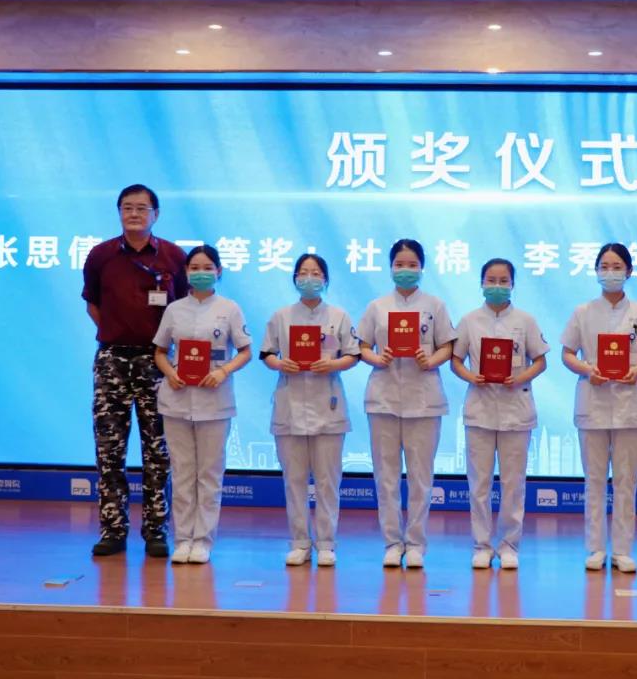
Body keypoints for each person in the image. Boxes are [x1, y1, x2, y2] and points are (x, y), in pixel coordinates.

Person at [82, 183, 187, 558]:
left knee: (158, 450)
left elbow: (184, 309)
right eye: (127, 207)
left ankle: (156, 530)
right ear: (119, 212)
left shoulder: (173, 256)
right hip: (112, 359)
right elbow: (93, 304)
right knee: (109, 450)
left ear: (156, 214)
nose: (134, 214)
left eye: (142, 208)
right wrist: (115, 331)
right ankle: (113, 529)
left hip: (156, 361)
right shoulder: (101, 255)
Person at [561, 243, 637, 573]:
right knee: (594, 480)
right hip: (594, 402)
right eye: (604, 266)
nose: (610, 272)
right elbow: (567, 353)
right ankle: (595, 548)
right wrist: (587, 369)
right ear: (596, 271)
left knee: (626, 481)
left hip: (630, 405)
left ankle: (622, 550)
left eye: (617, 267)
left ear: (629, 271)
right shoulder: (583, 312)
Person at [358, 239, 457, 569]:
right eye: (399, 264)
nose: (405, 270)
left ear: (422, 268)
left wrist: (431, 360)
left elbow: (447, 346)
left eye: (412, 264)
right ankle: (391, 542)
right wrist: (377, 358)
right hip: (383, 399)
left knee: (420, 477)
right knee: (385, 477)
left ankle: (415, 544)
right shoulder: (377, 306)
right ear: (390, 267)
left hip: (424, 399)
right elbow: (362, 347)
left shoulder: (435, 306)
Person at [153, 244, 251, 564]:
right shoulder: (174, 309)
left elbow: (245, 351)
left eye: (208, 267)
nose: (201, 273)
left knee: (209, 474)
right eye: (194, 268)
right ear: (186, 272)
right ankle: (182, 538)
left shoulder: (230, 309)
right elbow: (160, 352)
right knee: (182, 473)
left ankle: (203, 540)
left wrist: (223, 371)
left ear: (219, 272)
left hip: (214, 401)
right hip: (177, 400)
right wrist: (170, 373)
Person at [261, 253, 360, 567]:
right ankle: (300, 542)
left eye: (316, 273)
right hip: (289, 405)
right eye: (303, 272)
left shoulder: (339, 316)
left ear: (325, 280)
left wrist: (332, 364)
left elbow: (353, 355)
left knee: (328, 481)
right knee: (294, 480)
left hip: (327, 404)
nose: (309, 278)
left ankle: (327, 543)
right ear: (294, 279)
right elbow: (266, 353)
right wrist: (280, 363)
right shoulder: (281, 316)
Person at [451, 258, 549, 570]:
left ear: (512, 285)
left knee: (513, 484)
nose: (497, 286)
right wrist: (471, 377)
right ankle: (481, 545)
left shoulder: (525, 321)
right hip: (479, 410)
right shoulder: (469, 321)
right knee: (479, 484)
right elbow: (456, 360)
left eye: (503, 281)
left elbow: (541, 361)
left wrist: (521, 377)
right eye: (491, 280)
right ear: (481, 283)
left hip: (516, 410)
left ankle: (509, 545)